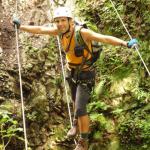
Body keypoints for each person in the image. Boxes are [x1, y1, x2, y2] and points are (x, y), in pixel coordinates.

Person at [13, 6, 138, 150]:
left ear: (70, 21)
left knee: (80, 107)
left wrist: (126, 44)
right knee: (74, 101)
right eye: (57, 21)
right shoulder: (59, 32)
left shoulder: (82, 33)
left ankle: (83, 141)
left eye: (63, 21)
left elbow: (103, 38)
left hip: (86, 74)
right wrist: (21, 26)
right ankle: (75, 124)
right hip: (71, 72)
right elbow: (40, 30)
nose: (60, 24)